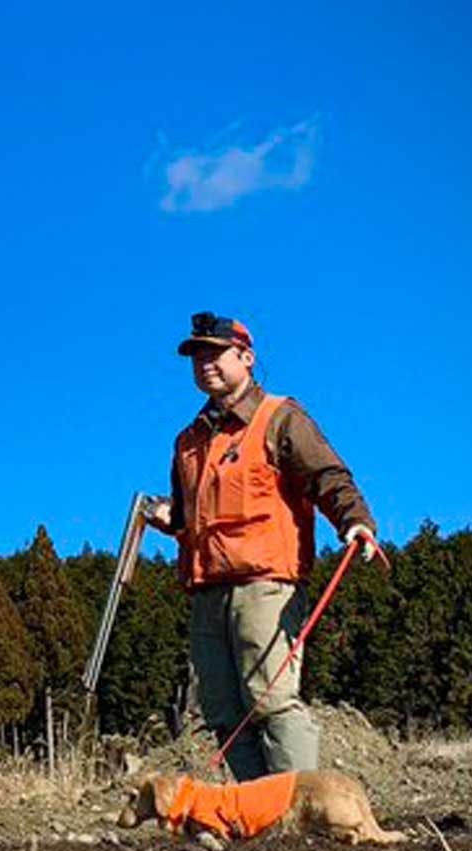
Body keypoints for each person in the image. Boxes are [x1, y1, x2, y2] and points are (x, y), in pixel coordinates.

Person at [146, 312, 377, 782]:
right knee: (223, 713)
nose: (203, 362)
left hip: (266, 584)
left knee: (270, 702)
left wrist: (355, 521)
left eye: (214, 352)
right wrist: (170, 520)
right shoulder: (187, 441)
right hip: (206, 591)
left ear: (246, 359)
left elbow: (327, 476)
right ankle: (258, 818)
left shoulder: (280, 417)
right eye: (196, 356)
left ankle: (296, 814)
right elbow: (190, 516)